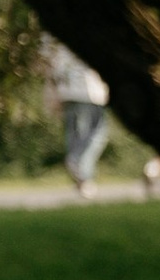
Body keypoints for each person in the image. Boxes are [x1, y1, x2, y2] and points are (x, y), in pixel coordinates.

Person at [38, 35, 111, 194]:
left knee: (75, 136)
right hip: (89, 92)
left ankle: (82, 180)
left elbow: (46, 66)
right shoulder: (84, 29)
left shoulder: (51, 36)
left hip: (66, 92)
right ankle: (80, 167)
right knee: (96, 135)